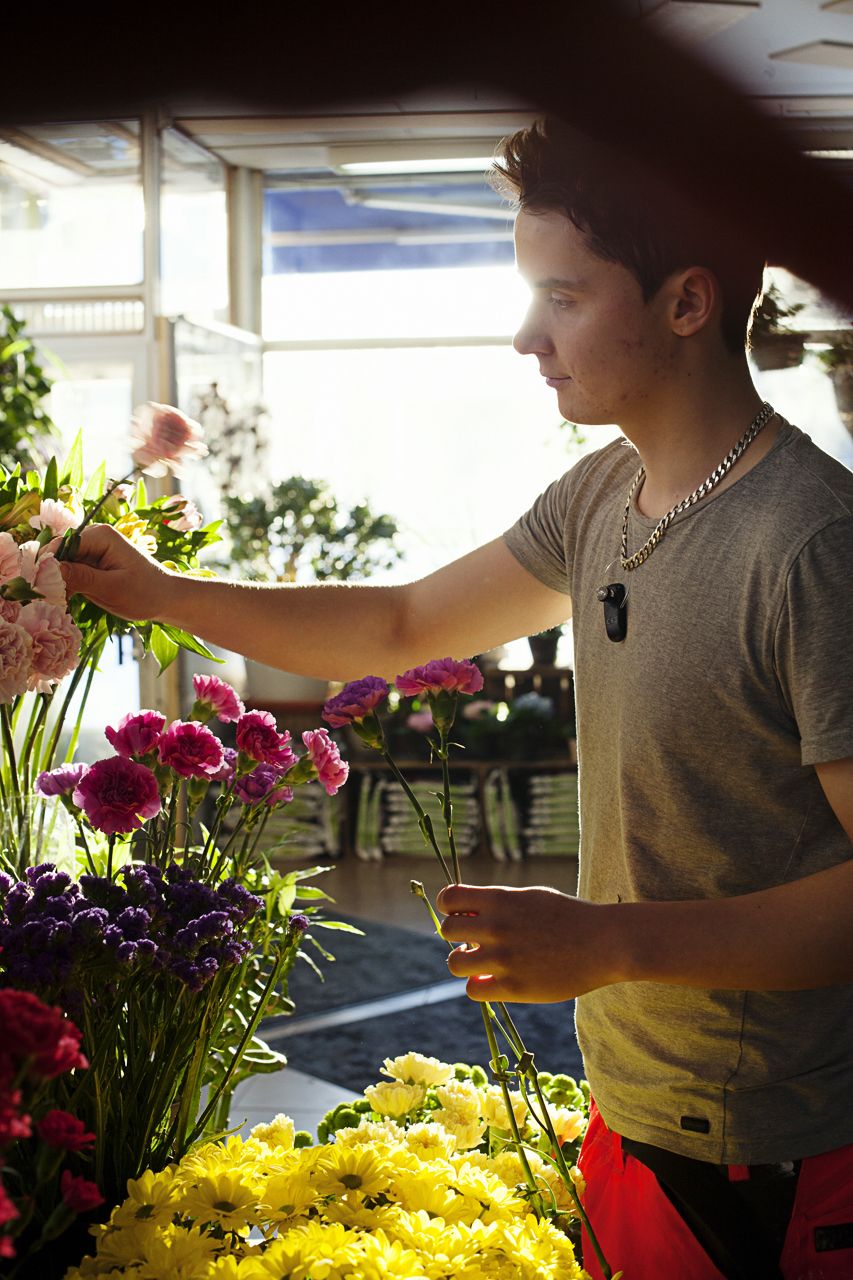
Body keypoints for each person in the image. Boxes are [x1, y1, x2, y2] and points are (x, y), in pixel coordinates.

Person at [61, 118, 853, 1279]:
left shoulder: (810, 542)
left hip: (772, 1148)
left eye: (563, 299)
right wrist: (160, 590)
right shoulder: (601, 496)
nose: (526, 335)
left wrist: (609, 941)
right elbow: (400, 624)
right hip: (633, 1098)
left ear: (686, 303)